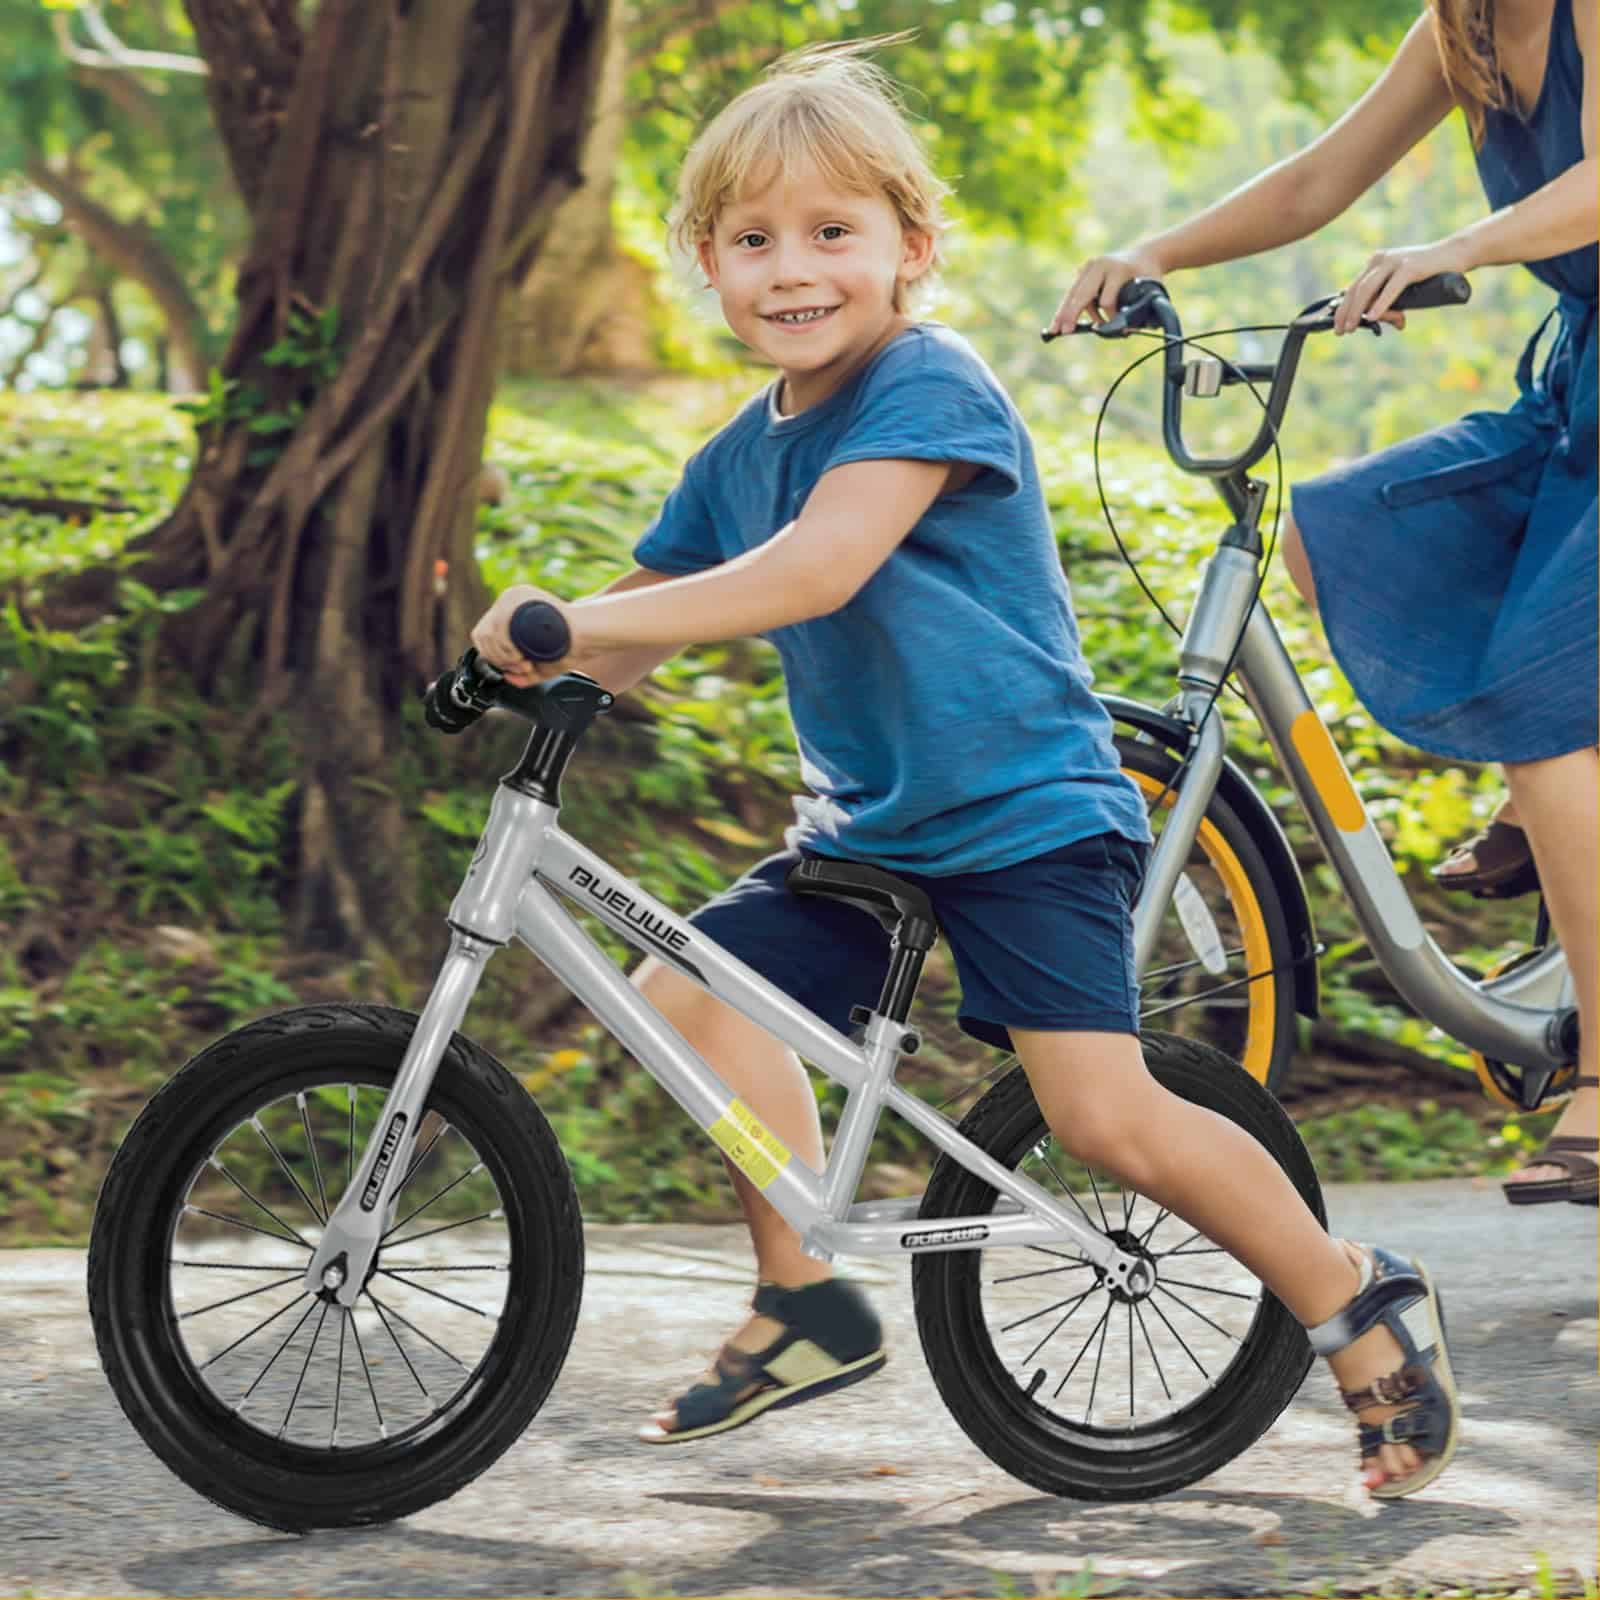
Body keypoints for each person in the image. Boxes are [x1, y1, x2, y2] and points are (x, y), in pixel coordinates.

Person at [472, 40, 1461, 1496]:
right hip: (874, 827)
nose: (791, 269)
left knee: (1103, 1119)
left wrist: (589, 624)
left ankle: (1352, 1298)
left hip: (1026, 818)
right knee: (692, 990)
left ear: (911, 249)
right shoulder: (741, 450)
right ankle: (806, 1298)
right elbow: (640, 622)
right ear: (704, 262)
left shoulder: (927, 384)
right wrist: (536, 658)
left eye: (832, 232)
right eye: (753, 241)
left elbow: (820, 569)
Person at [1051, 0, 1597, 1208]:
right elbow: (1316, 181)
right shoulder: (1455, 29)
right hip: (1579, 385)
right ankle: (1549, 823)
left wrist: (1454, 248)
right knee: (1337, 530)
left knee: (1541, 698)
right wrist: (1157, 254)